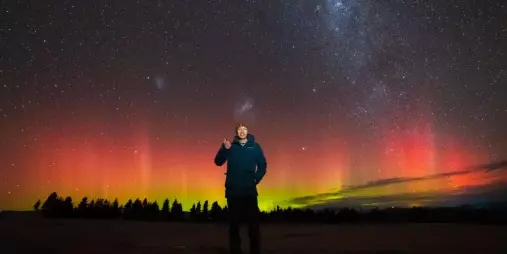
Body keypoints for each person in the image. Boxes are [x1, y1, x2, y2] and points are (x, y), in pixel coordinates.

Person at [214, 123, 267, 254]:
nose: (242, 131)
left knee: (253, 227)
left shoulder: (255, 147)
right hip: (233, 192)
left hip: (249, 192)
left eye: (244, 129)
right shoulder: (230, 147)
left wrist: (257, 178)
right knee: (234, 227)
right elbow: (218, 162)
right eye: (239, 129)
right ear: (236, 132)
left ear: (247, 131)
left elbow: (263, 165)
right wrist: (224, 149)